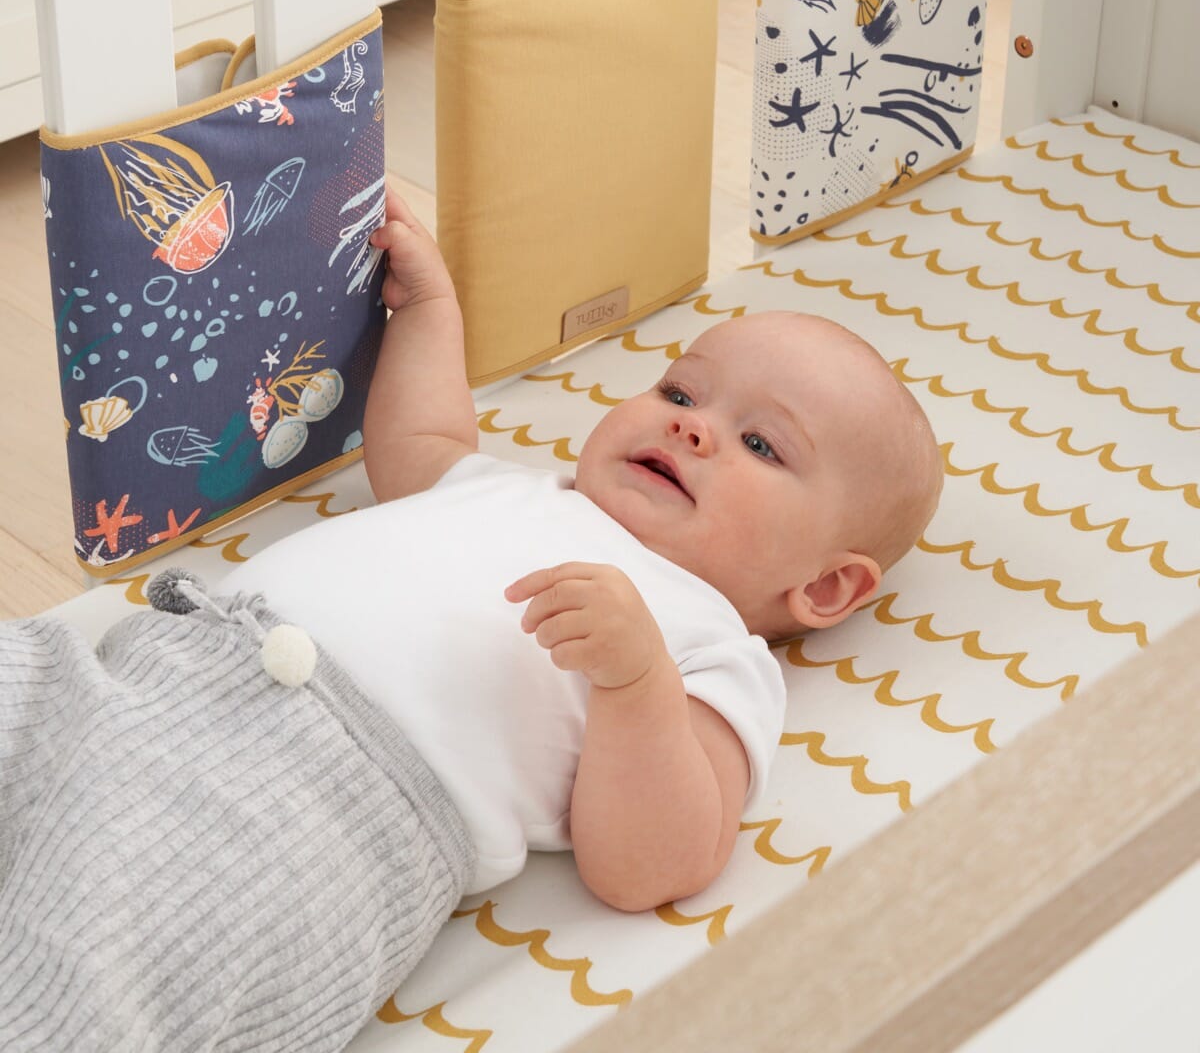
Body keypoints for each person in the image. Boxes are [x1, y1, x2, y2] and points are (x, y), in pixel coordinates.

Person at [0, 183, 942, 1052]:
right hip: (155, 665)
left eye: (762, 443)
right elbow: (422, 441)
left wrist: (635, 681)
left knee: (94, 955)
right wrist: (432, 314)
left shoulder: (709, 646)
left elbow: (657, 861)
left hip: (319, 802)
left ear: (823, 590)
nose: (693, 426)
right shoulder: (524, 493)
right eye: (681, 391)